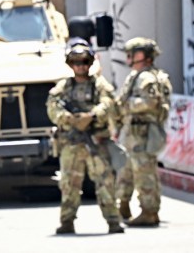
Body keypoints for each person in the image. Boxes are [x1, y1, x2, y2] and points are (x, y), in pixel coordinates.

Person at [46, 38, 124, 235]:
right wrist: (71, 119)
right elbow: (52, 107)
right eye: (75, 62)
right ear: (70, 65)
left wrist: (92, 116)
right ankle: (67, 221)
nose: (80, 67)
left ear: (90, 63)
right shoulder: (64, 87)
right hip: (71, 143)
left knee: (105, 182)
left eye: (84, 62)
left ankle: (113, 221)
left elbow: (109, 103)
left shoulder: (99, 85)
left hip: (95, 141)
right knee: (69, 184)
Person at [116, 37, 172, 227]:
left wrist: (127, 104)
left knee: (144, 172)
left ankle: (149, 211)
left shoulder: (147, 78)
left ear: (144, 56)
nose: (129, 57)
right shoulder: (136, 76)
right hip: (132, 132)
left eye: (134, 53)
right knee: (127, 171)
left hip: (143, 132)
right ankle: (123, 205)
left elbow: (150, 102)